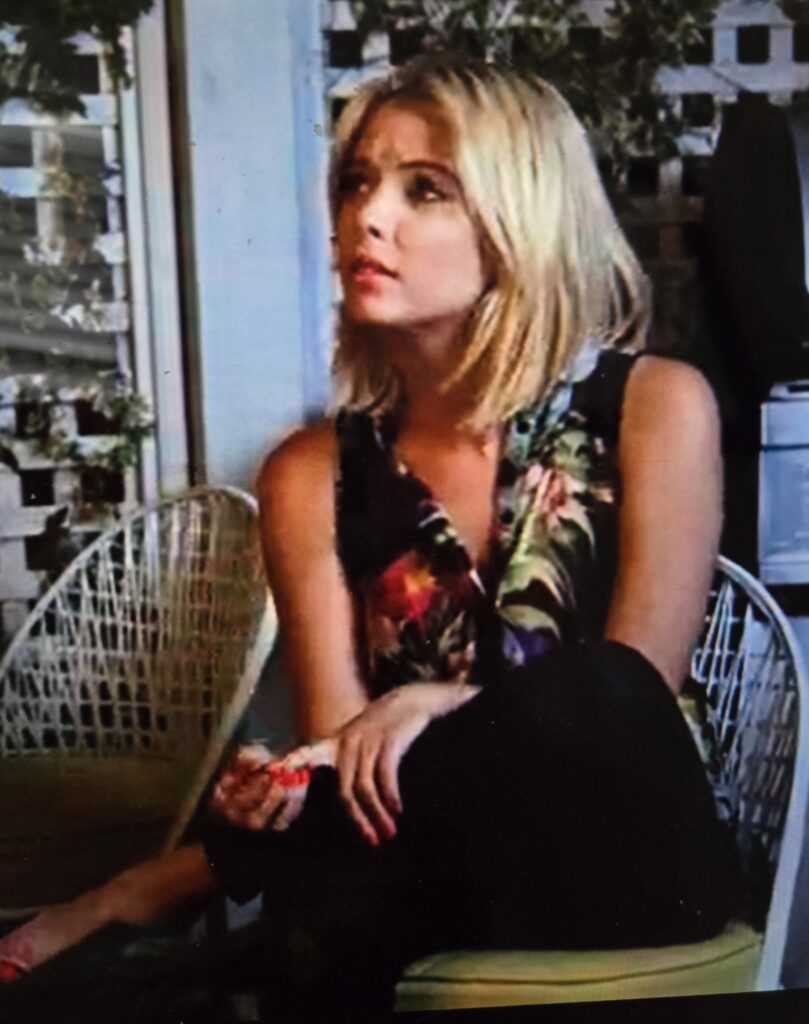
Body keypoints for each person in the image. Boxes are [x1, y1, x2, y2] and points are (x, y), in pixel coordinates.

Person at [0, 55, 740, 1014]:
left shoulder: (655, 406)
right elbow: (341, 755)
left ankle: (179, 887)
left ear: (518, 217)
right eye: (357, 182)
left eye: (423, 188)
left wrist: (431, 701)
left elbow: (637, 690)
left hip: (631, 854)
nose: (366, 217)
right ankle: (229, 915)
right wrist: (280, 793)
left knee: (596, 691)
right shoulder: (311, 471)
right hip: (429, 869)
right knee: (350, 850)